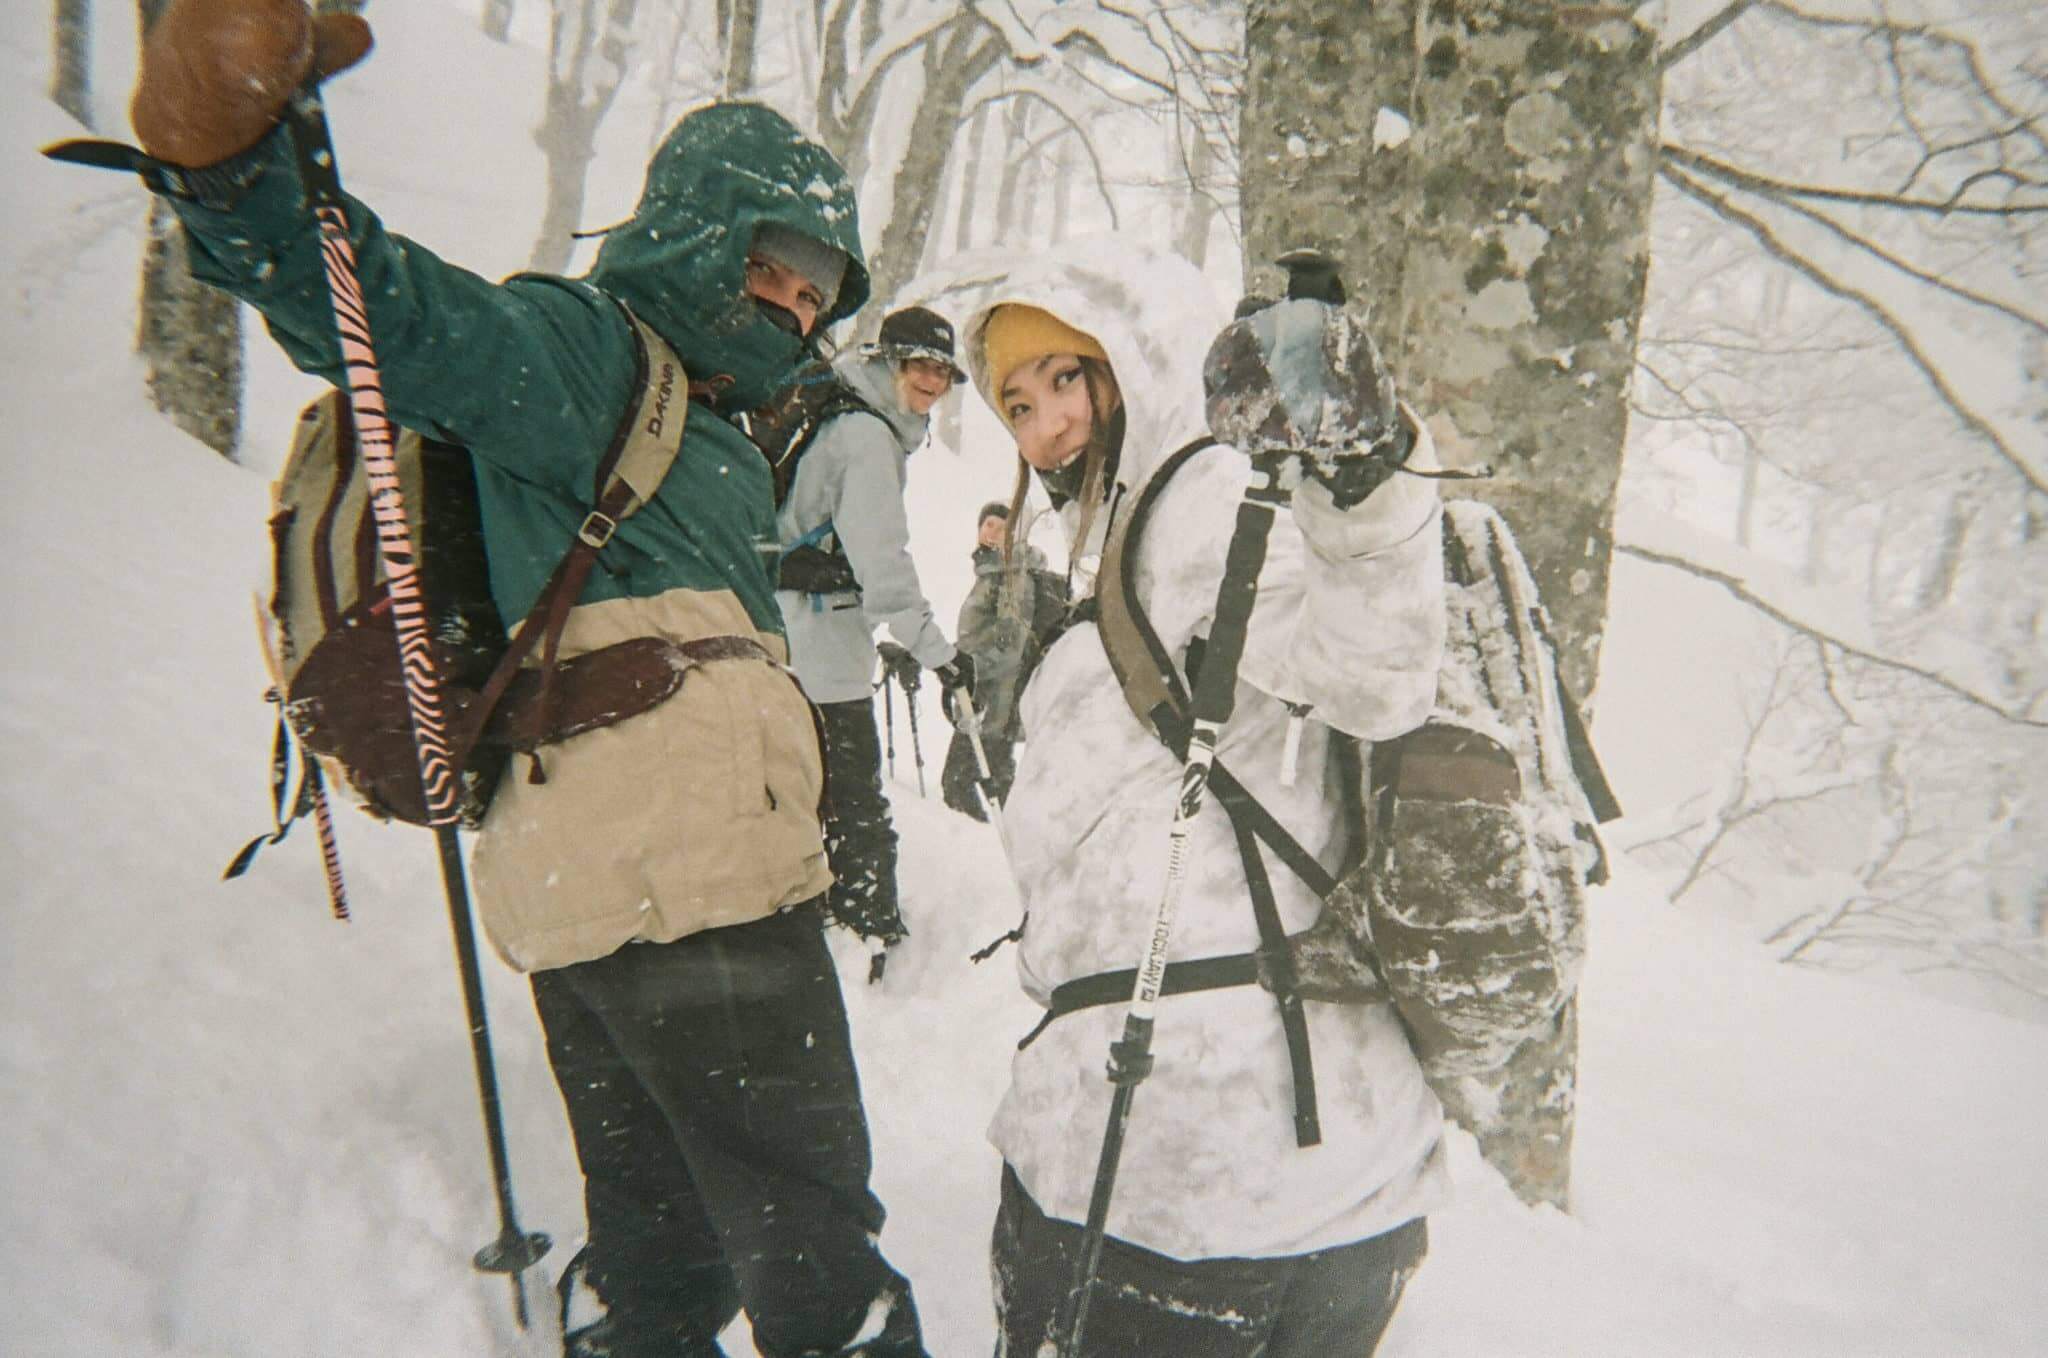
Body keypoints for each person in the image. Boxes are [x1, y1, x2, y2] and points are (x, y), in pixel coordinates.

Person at [114, 3, 925, 1353]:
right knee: (817, 1263)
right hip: (699, 883)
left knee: (662, 1251)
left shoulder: (702, 419)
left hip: (587, 894)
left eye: (818, 289)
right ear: (703, 224)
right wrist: (236, 173)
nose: (795, 303)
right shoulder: (590, 353)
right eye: (778, 263)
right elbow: (392, 323)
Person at [960, 238, 1451, 1356]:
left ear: (1131, 356)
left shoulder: (1207, 498)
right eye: (1017, 405)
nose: (1046, 428)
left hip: (1176, 1177)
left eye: (1066, 378)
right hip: (1320, 1179)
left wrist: (1360, 475)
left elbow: (1373, 670)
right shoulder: (1137, 535)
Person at [774, 305, 975, 976]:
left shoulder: (856, 423)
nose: (932, 382)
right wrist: (939, 654)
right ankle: (868, 931)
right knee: (855, 800)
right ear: (888, 362)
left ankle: (824, 916)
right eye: (920, 365)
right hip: (819, 645)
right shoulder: (865, 437)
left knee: (819, 792)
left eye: (943, 372)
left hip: (807, 634)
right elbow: (883, 567)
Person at [939, 502, 1063, 819]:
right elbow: (983, 634)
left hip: (991, 702)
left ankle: (991, 849)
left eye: (1001, 526)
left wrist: (967, 667)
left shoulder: (1012, 578)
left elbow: (1009, 648)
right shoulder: (993, 571)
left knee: (962, 790)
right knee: (994, 788)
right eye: (988, 524)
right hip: (982, 696)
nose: (992, 531)